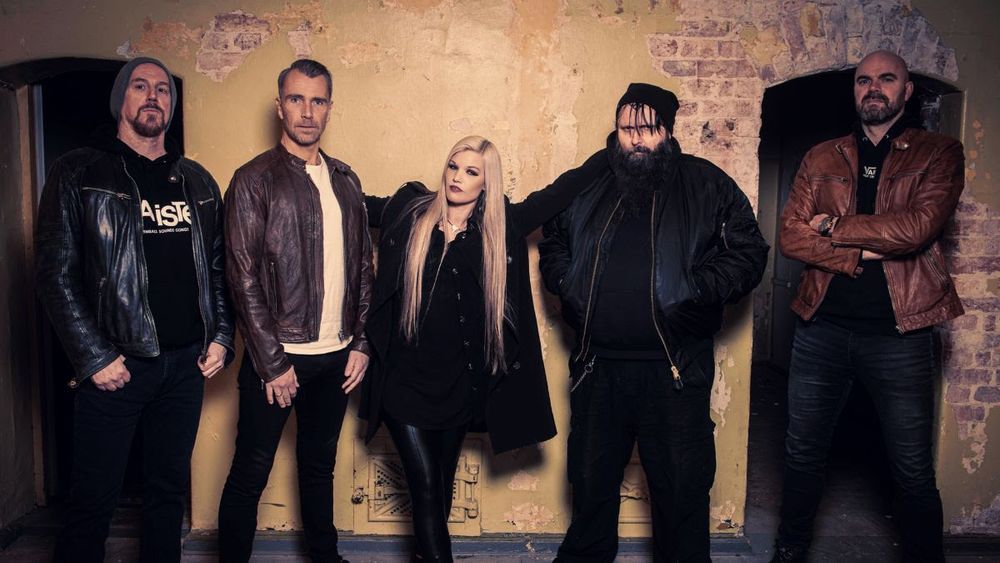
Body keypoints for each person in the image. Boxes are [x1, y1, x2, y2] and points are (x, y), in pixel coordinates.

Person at [539, 83, 769, 562]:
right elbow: (554, 241)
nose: (637, 139)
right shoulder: (590, 183)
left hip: (675, 372)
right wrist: (566, 281)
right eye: (627, 129)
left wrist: (696, 287)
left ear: (667, 131)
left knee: (681, 494)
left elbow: (748, 252)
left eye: (647, 128)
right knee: (590, 486)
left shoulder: (706, 184)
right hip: (597, 369)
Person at [360, 135, 602, 562]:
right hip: (403, 382)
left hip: (458, 385)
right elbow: (350, 203)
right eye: (454, 166)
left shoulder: (500, 228)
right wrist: (313, 167)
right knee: (426, 488)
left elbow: (562, 190)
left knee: (439, 487)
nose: (457, 177)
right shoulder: (410, 212)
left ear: (486, 182)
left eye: (471, 172)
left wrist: (617, 149)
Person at [35, 57, 234, 562]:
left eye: (163, 89)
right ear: (120, 99)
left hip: (185, 366)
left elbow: (217, 270)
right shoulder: (79, 171)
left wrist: (220, 336)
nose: (153, 97)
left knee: (168, 497)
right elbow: (54, 273)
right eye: (140, 86)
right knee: (91, 504)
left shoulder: (197, 181)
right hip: (116, 368)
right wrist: (94, 357)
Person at [771, 50, 964, 563]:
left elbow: (918, 229)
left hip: (901, 334)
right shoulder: (822, 156)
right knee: (802, 454)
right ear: (854, 90)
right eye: (863, 81)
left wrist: (833, 227)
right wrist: (866, 250)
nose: (873, 88)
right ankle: (789, 551)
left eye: (886, 79)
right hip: (821, 329)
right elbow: (790, 236)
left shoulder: (940, 152)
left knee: (911, 467)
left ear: (907, 90)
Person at [218, 59, 372, 563]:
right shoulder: (253, 179)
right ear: (279, 105)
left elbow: (363, 268)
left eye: (318, 100)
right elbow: (241, 277)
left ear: (330, 107)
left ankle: (325, 557)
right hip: (279, 358)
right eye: (296, 99)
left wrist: (361, 341)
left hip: (336, 356)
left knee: (319, 467)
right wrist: (271, 362)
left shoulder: (346, 180)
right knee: (250, 472)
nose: (307, 111)